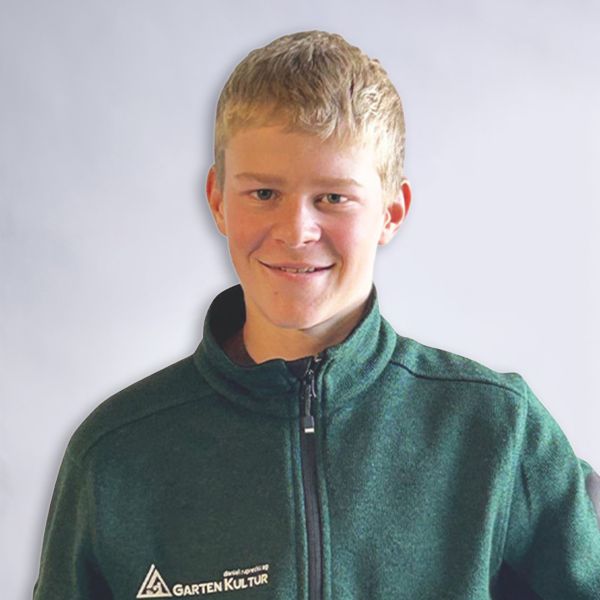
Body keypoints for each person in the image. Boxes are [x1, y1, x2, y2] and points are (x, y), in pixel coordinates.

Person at [33, 30, 600, 600]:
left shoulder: (497, 430)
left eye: (333, 197)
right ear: (218, 200)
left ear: (391, 211)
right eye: (263, 194)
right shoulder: (114, 455)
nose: (296, 231)